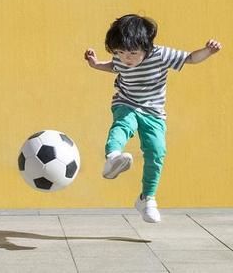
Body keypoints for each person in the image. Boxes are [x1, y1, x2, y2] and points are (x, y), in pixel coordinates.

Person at [84, 14, 221, 223]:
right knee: (122, 125)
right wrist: (95, 64)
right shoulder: (121, 58)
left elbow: (190, 59)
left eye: (132, 53)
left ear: (147, 47)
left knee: (156, 151)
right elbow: (113, 66)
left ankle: (146, 199)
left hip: (154, 112)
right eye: (120, 52)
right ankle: (113, 158)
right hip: (126, 102)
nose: (126, 58)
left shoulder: (161, 54)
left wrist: (208, 51)